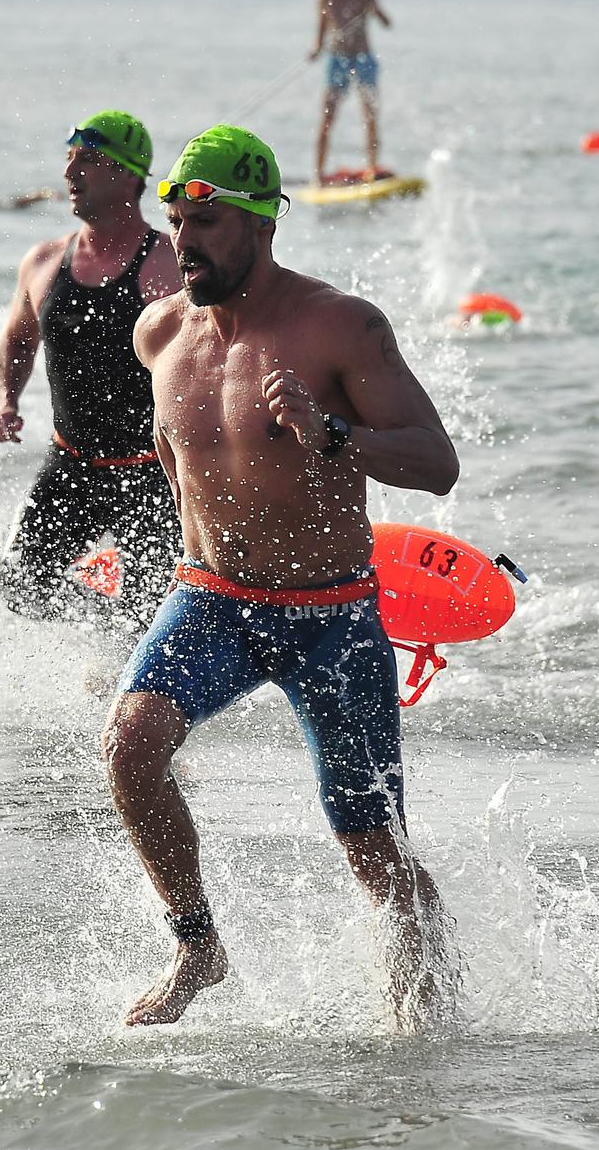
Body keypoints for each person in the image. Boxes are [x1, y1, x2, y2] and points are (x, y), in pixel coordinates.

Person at [108, 124, 460, 1030]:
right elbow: (180, 461)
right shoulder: (158, 334)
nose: (184, 242)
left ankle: (428, 1029)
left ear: (260, 223)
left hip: (332, 618)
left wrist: (334, 434)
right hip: (212, 601)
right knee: (129, 745)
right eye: (176, 222)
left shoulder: (340, 326)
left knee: (373, 851)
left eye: (207, 221)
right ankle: (196, 943)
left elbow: (436, 459)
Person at [0, 111, 183, 627]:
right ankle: (102, 624)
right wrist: (5, 398)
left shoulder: (167, 265)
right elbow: (15, 339)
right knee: (20, 581)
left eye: (88, 161)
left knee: (152, 621)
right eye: (70, 159)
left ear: (129, 176)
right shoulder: (44, 261)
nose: (71, 173)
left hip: (151, 474)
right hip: (71, 463)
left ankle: (126, 644)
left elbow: (212, 359)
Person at [308, 0, 392, 184]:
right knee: (327, 116)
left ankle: (372, 167)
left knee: (370, 114)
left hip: (363, 59)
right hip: (338, 61)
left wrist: (372, 9)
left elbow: (386, 22)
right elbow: (320, 35)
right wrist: (315, 50)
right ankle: (318, 174)